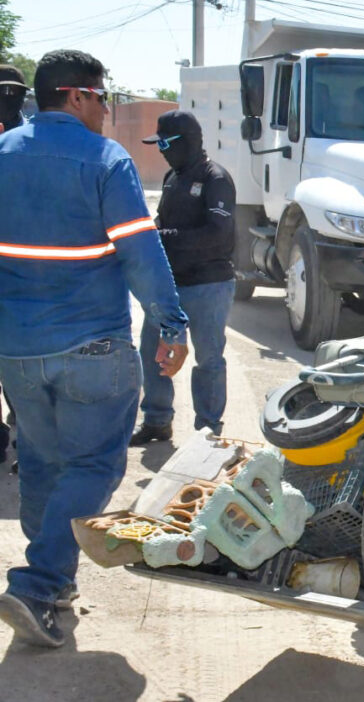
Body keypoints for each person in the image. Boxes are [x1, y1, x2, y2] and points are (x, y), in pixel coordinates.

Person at [0, 50, 189, 647]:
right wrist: (171, 325)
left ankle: (51, 587)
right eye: (103, 98)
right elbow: (141, 254)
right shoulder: (106, 160)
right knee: (95, 466)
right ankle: (38, 582)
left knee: (39, 462)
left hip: (18, 351)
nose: (107, 111)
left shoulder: (3, 156)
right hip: (92, 346)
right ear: (76, 96)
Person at [130, 110, 235, 445]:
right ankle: (157, 420)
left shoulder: (215, 178)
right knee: (152, 351)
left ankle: (208, 431)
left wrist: (166, 236)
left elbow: (218, 233)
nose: (160, 150)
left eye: (165, 143)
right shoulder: (171, 178)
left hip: (208, 284)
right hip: (169, 286)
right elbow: (161, 223)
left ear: (186, 142)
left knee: (208, 358)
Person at [0, 65, 30, 463]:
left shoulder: (31, 142)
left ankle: (25, 437)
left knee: (20, 370)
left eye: (13, 93)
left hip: (23, 277)